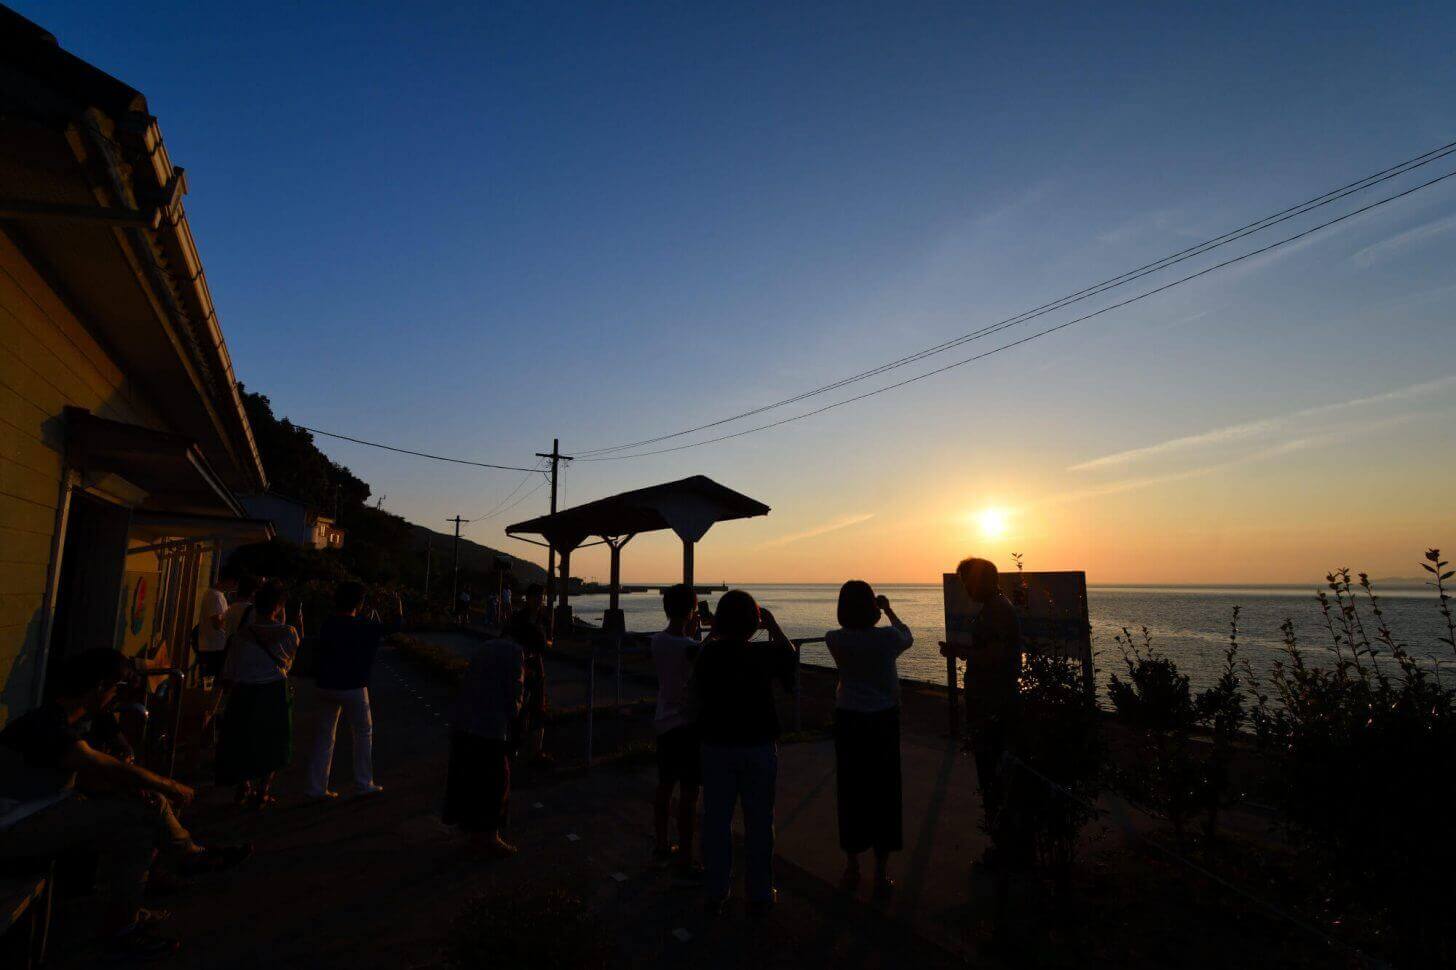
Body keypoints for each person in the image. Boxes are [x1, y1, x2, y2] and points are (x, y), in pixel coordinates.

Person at [0, 649, 250, 960]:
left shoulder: (64, 720)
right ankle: (151, 894)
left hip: (35, 816)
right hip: (14, 830)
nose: (115, 699)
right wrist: (168, 785)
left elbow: (89, 778)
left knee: (141, 807)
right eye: (117, 689)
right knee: (137, 819)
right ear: (101, 687)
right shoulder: (48, 725)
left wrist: (139, 787)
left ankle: (154, 889)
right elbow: (100, 766)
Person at [694, 590, 797, 917]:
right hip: (759, 745)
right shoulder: (763, 655)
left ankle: (716, 890)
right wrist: (774, 624)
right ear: (755, 622)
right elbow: (790, 657)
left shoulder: (709, 655)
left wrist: (713, 631)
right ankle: (760, 892)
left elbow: (695, 667)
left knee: (716, 821)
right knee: (759, 822)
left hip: (716, 745)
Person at [826, 581, 913, 894]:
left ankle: (852, 866)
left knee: (851, 791)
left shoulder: (834, 639)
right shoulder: (888, 638)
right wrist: (888, 609)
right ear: (873, 608)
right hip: (883, 722)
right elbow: (907, 635)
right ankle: (880, 871)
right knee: (885, 793)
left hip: (848, 720)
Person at [940, 558, 1022, 831]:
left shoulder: (997, 610)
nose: (966, 589)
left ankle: (1003, 838)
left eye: (968, 582)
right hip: (990, 701)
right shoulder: (994, 608)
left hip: (993, 703)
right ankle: (1001, 836)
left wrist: (962, 652)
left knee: (993, 773)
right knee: (991, 772)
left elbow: (995, 655)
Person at [305, 582, 401, 799]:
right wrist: (397, 605)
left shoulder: (328, 624)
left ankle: (316, 787)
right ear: (359, 603)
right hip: (353, 687)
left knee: (324, 736)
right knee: (362, 734)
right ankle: (363, 782)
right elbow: (396, 625)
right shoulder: (364, 625)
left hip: (325, 685)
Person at [216, 580, 300, 808]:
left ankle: (244, 786)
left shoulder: (241, 636)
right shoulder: (289, 633)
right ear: (278, 607)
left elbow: (230, 671)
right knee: (274, 743)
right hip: (274, 693)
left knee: (242, 739)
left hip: (243, 693)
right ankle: (263, 791)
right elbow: (288, 665)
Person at [442, 631, 523, 857]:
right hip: (489, 727)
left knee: (470, 778)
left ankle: (470, 832)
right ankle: (490, 838)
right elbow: (514, 699)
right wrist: (516, 722)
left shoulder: (484, 646)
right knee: (497, 781)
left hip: (464, 721)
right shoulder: (517, 653)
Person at [649, 584, 703, 881]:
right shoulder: (692, 648)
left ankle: (660, 843)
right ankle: (685, 854)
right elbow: (696, 668)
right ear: (692, 610)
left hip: (664, 722)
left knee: (664, 786)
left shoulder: (657, 641)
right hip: (688, 726)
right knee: (689, 793)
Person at [506, 584, 549, 765]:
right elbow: (508, 638)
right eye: (536, 597)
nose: (539, 601)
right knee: (520, 708)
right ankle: (513, 748)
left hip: (537, 668)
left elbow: (545, 641)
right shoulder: (519, 618)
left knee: (538, 707)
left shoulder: (541, 618)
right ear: (528, 598)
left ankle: (536, 751)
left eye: (541, 597)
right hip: (521, 667)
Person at [196, 566, 238, 681]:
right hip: (214, 648)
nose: (234, 588)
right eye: (234, 584)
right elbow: (217, 624)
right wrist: (229, 614)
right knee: (214, 683)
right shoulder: (216, 597)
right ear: (229, 581)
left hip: (211, 647)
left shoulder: (214, 594)